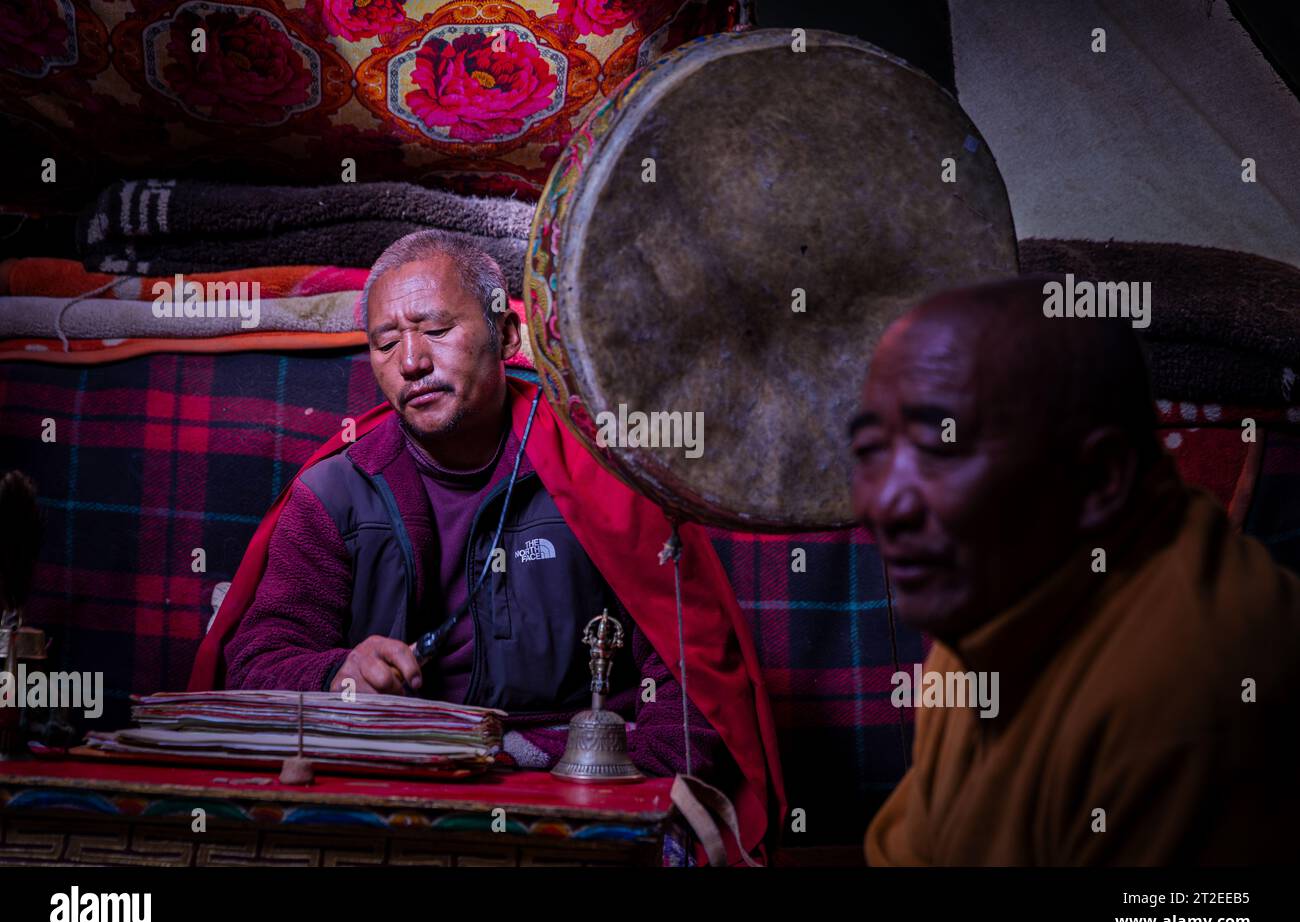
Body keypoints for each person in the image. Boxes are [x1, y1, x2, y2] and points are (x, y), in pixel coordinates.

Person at [189, 232, 783, 863]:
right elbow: (253, 666)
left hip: (574, 793)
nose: (411, 361)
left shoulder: (601, 476)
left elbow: (691, 686)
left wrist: (616, 792)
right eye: (386, 343)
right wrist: (339, 676)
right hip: (392, 797)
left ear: (505, 336)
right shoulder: (334, 491)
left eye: (436, 330)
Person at [851, 276, 1299, 865]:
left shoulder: (1190, 698)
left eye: (941, 445)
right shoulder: (999, 610)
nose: (885, 504)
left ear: (1101, 478)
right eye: (870, 451)